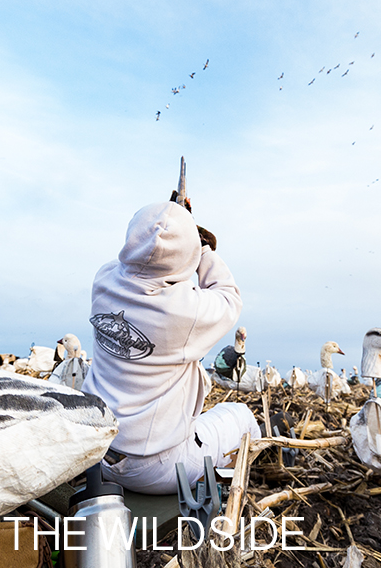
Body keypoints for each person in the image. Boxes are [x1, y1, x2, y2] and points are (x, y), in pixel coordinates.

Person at [82, 200, 260, 495]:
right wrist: (202, 249)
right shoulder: (183, 311)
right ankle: (224, 499)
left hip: (95, 450)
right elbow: (229, 298)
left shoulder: (103, 280)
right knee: (242, 417)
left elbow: (148, 253)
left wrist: (171, 225)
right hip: (155, 470)